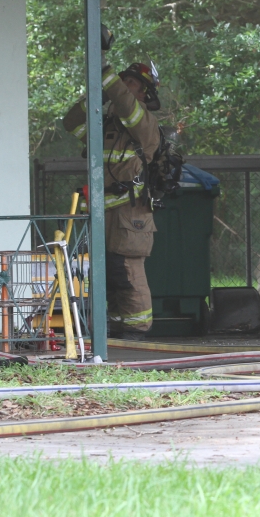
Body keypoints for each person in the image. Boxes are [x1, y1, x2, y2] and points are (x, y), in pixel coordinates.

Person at [63, 56, 163, 340]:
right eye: (123, 81)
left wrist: (105, 70)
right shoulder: (105, 127)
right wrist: (100, 93)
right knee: (108, 273)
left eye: (130, 83)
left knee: (127, 272)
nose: (123, 86)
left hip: (130, 214)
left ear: (144, 93)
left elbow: (127, 106)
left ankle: (137, 329)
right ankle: (119, 328)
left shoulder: (144, 123)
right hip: (103, 214)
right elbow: (71, 121)